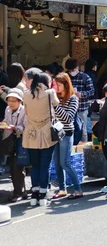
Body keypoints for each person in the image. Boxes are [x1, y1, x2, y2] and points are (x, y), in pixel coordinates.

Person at [23, 69, 59, 204]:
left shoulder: (26, 94)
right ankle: (43, 194)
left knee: (35, 165)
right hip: (46, 133)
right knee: (46, 165)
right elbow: (56, 105)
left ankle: (34, 194)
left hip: (31, 133)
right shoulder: (50, 93)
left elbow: (26, 112)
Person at [51, 73, 83, 200]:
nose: (57, 88)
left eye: (59, 85)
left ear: (65, 85)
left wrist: (56, 105)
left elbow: (68, 118)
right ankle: (62, 189)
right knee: (57, 163)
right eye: (55, 85)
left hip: (67, 133)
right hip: (55, 133)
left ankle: (78, 188)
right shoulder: (56, 97)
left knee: (65, 163)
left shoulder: (73, 99)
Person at [1, 88, 26, 202]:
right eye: (9, 100)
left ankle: (19, 192)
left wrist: (15, 128)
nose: (10, 103)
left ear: (20, 101)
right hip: (10, 140)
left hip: (21, 140)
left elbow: (26, 127)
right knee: (12, 166)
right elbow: (6, 120)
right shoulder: (7, 109)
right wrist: (4, 125)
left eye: (13, 101)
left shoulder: (24, 111)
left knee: (18, 166)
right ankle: (17, 191)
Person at [65, 58, 95, 143]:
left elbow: (92, 91)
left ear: (77, 67)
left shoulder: (85, 77)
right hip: (67, 108)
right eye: (70, 70)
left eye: (73, 69)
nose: (71, 72)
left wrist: (82, 94)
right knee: (69, 129)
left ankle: (82, 148)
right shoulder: (66, 77)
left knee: (83, 129)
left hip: (81, 107)